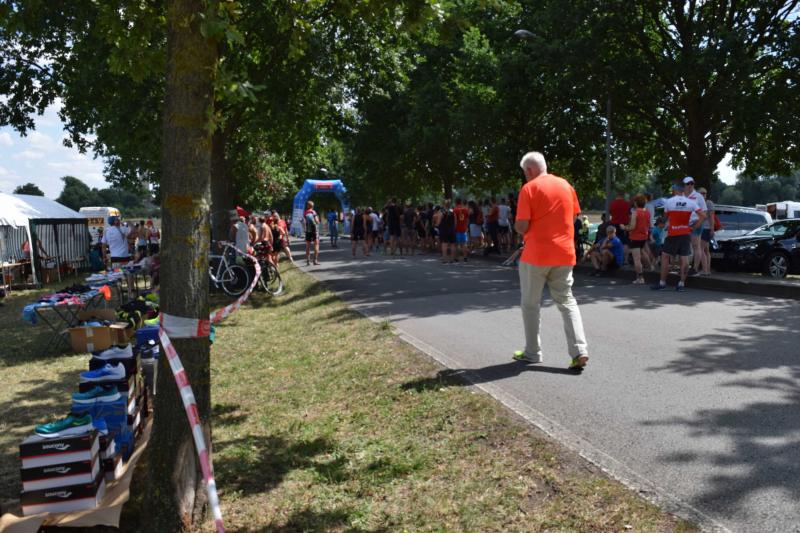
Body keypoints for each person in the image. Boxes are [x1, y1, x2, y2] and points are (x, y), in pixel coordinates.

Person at [513, 151, 589, 371]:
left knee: (530, 304)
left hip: (536, 255)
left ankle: (532, 352)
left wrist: (518, 227)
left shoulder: (529, 188)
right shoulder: (566, 185)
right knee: (567, 302)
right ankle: (579, 350)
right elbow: (573, 217)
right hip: (564, 253)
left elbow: (523, 225)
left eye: (524, 172)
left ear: (529, 170)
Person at [651, 182, 705, 292]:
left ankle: (662, 283)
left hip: (673, 233)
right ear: (683, 190)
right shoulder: (690, 202)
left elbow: (665, 218)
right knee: (684, 259)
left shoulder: (669, 202)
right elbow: (703, 216)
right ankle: (681, 284)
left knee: (665, 257)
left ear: (675, 190)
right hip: (685, 233)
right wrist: (693, 227)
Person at [624, 193, 652, 284]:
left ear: (636, 203)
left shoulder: (635, 213)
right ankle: (650, 267)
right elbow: (649, 225)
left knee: (636, 259)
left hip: (635, 237)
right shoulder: (647, 212)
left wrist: (624, 227)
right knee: (642, 252)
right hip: (644, 237)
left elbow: (632, 227)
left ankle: (640, 278)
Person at [682, 177, 708, 275]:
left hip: (695, 222)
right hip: (683, 224)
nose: (690, 185)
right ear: (684, 185)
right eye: (688, 184)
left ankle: (695, 268)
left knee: (696, 246)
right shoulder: (681, 195)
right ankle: (684, 267)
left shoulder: (698, 196)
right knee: (683, 245)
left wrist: (697, 224)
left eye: (692, 183)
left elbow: (704, 211)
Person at [697, 187, 714, 276]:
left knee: (701, 249)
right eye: (701, 193)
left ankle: (705, 270)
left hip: (706, 228)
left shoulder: (709, 203)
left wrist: (712, 229)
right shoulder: (697, 202)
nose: (703, 194)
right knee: (706, 250)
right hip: (701, 228)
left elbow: (712, 217)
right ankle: (707, 270)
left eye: (705, 193)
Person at [303, 201, 320, 265]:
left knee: (308, 246)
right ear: (312, 206)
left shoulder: (305, 213)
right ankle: (315, 260)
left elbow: (303, 222)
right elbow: (317, 221)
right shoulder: (313, 212)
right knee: (316, 244)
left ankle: (308, 260)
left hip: (308, 231)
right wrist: (317, 222)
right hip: (314, 230)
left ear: (307, 206)